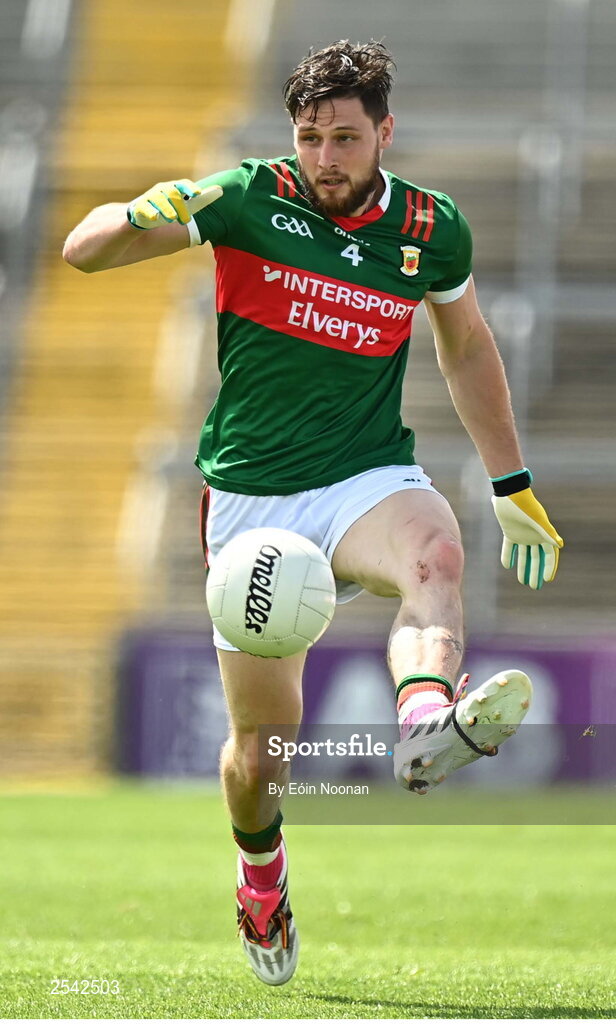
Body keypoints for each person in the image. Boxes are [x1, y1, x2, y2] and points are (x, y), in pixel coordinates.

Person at [63, 39, 563, 987]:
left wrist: (511, 483)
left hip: (365, 475)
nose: (324, 158)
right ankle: (261, 878)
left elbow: (465, 347)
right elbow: (82, 253)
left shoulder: (429, 226)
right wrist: (139, 210)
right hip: (251, 499)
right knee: (262, 750)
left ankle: (424, 720)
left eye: (343, 138)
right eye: (309, 137)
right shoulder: (248, 196)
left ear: (384, 131)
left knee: (436, 556)